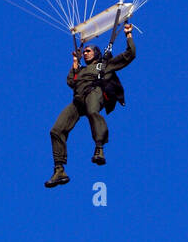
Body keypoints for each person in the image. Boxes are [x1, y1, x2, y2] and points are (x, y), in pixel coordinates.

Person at [45, 22, 135, 188]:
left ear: (96, 53)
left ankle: (99, 148)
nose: (85, 53)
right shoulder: (80, 70)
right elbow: (71, 82)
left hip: (95, 92)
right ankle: (59, 170)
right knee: (56, 130)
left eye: (88, 51)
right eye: (84, 51)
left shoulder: (104, 65)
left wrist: (128, 35)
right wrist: (74, 62)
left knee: (93, 112)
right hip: (78, 100)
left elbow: (129, 55)